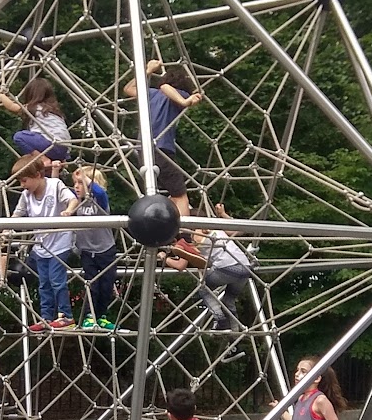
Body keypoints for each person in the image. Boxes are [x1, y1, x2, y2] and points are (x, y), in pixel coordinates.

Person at [122, 57, 202, 232]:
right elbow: (164, 88)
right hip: (161, 149)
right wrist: (185, 102)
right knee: (180, 195)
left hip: (144, 150)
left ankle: (164, 229)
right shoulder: (179, 95)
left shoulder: (151, 93)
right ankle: (185, 235)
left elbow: (129, 88)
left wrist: (148, 70)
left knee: (167, 193)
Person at [10, 154, 76, 330]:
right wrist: (5, 230)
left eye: (24, 181)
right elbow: (17, 214)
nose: (22, 185)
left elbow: (72, 199)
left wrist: (68, 211)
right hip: (41, 246)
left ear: (38, 175)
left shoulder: (54, 185)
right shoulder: (26, 195)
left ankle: (66, 316)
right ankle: (46, 317)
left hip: (60, 242)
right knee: (44, 283)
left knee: (56, 280)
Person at [166, 204, 254, 331]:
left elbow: (183, 264)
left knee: (204, 290)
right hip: (245, 267)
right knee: (229, 300)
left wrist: (166, 257)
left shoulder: (191, 238)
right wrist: (223, 214)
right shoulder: (216, 227)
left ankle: (221, 321)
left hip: (227, 267)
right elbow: (240, 229)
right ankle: (235, 333)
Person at [65, 164, 118, 330]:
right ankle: (90, 315)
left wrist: (86, 179)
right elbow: (63, 192)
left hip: (105, 249)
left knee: (106, 285)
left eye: (80, 183)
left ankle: (101, 315)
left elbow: (100, 192)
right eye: (75, 183)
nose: (76, 187)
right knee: (91, 284)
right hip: (87, 250)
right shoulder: (77, 201)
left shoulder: (100, 201)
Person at [0, 75, 71, 169]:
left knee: (19, 137)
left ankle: (43, 159)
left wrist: (0, 94)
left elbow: (12, 107)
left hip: (51, 145)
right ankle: (57, 162)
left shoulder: (35, 108)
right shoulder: (55, 111)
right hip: (63, 150)